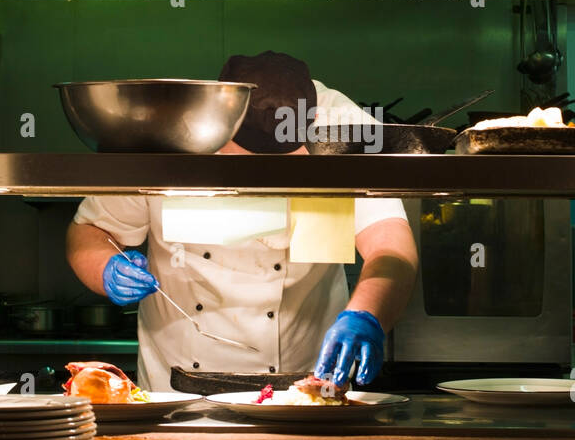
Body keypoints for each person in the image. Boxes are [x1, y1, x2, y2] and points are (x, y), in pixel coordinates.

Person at [65, 51, 418, 391]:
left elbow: (390, 243)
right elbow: (92, 230)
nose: (267, 180)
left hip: (307, 387)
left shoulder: (343, 127)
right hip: (177, 392)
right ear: (220, 127)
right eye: (252, 162)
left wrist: (366, 314)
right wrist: (105, 268)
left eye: (282, 163)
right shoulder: (168, 128)